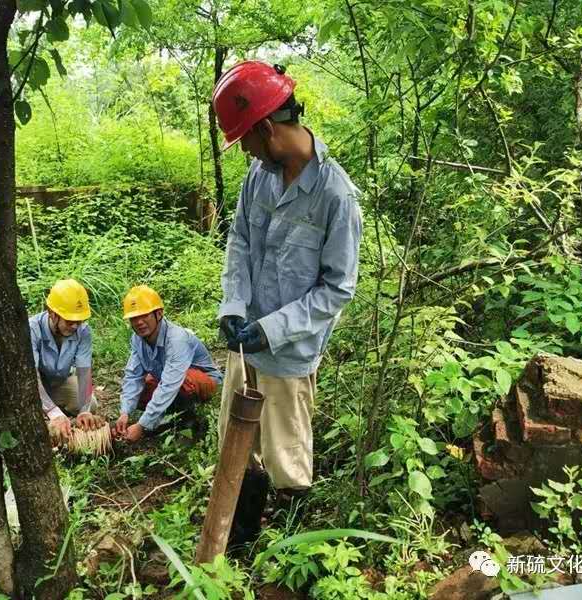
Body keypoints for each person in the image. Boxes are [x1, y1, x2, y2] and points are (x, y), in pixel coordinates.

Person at [212, 61, 363, 545]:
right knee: (237, 443)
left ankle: (295, 550)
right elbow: (239, 240)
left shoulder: (336, 195)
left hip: (289, 353)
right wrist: (233, 305)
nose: (246, 152)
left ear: (266, 128)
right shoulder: (258, 177)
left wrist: (272, 328)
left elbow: (337, 288)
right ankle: (241, 540)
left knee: (286, 457)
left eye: (246, 140)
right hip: (245, 344)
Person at [115, 285, 223, 443]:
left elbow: (170, 384)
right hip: (170, 382)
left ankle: (189, 421)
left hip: (203, 383)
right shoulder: (137, 339)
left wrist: (142, 425)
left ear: (159, 314)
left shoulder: (177, 339)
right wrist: (124, 413)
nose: (139, 322)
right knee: (141, 390)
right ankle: (167, 417)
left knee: (183, 381)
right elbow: (133, 376)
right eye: (134, 318)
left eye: (144, 315)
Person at [29, 279, 105, 443]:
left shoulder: (83, 331)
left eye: (79, 321)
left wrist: (84, 410)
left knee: (90, 404)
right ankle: (50, 414)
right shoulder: (32, 329)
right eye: (70, 321)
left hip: (60, 382)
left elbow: (84, 372)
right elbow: (31, 376)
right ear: (52, 313)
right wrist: (53, 413)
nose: (75, 326)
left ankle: (56, 413)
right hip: (32, 386)